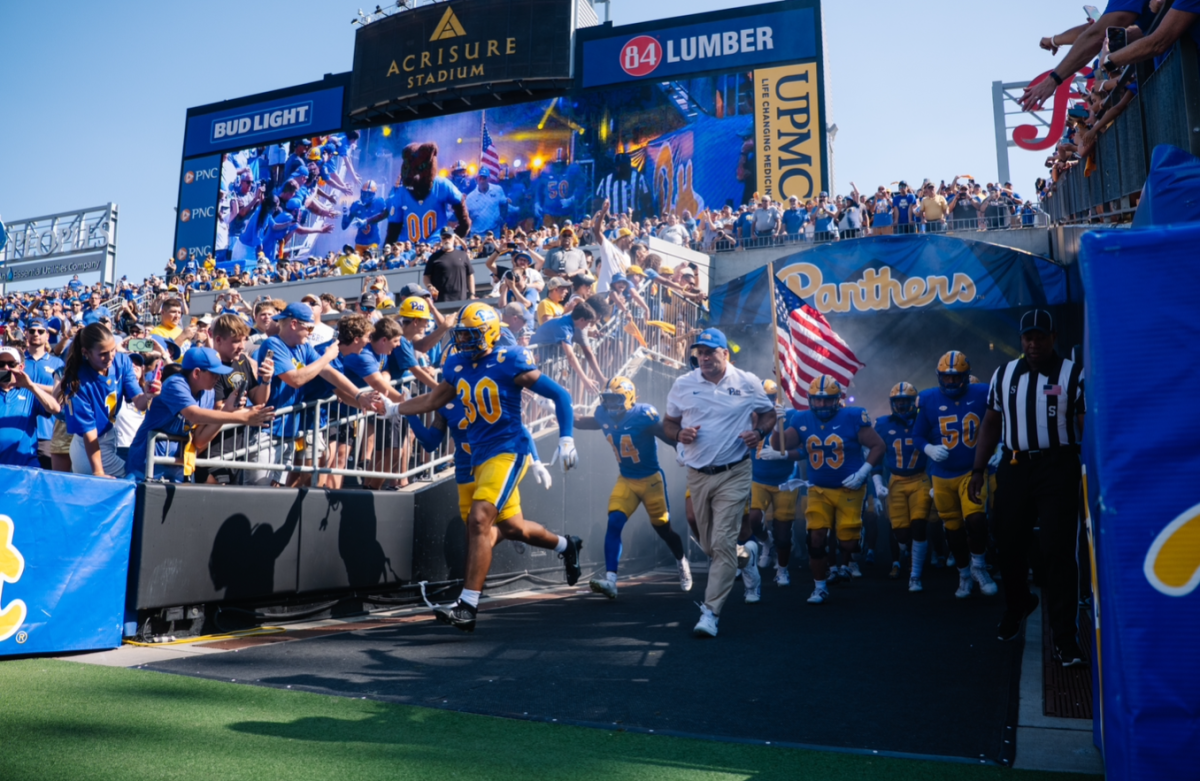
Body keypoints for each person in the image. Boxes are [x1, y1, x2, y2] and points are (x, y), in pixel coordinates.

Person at [386, 302, 583, 632]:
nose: (463, 341)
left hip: (507, 450)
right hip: (476, 456)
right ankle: (567, 545)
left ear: (490, 333)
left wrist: (566, 438)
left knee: (479, 521)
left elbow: (560, 395)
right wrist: (394, 409)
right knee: (511, 529)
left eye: (470, 335)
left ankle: (467, 605)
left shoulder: (510, 360)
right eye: (460, 334)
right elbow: (433, 400)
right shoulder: (457, 363)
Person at [969, 310, 1086, 665]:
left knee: (1057, 550)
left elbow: (1086, 424)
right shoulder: (1004, 375)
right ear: (1021, 340)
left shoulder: (1073, 374)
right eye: (1027, 337)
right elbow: (991, 422)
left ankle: (1066, 638)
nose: (1033, 344)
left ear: (1053, 337)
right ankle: (1019, 604)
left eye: (1040, 337)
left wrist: (1093, 470)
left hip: (1058, 466)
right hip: (1016, 465)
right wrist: (977, 469)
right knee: (1006, 543)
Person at [664, 328, 776, 637]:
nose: (704, 357)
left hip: (734, 471)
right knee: (714, 546)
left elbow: (768, 414)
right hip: (698, 475)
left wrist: (760, 433)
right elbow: (668, 422)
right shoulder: (683, 384)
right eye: (700, 352)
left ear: (725, 353)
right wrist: (678, 435)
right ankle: (748, 556)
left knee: (723, 542)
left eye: (710, 351)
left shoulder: (747, 382)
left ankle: (710, 613)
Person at [575, 376, 692, 599]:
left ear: (629, 398)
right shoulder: (603, 414)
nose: (610, 405)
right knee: (614, 522)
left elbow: (664, 433)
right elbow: (582, 422)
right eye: (607, 399)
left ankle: (681, 560)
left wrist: (681, 448)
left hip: (651, 480)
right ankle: (611, 581)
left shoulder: (643, 415)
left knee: (663, 528)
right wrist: (556, 409)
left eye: (615, 399)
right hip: (626, 479)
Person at [254, 302, 382, 486]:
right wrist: (327, 357)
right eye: (309, 327)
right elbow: (296, 379)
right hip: (269, 429)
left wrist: (359, 396)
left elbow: (330, 373)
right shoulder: (273, 344)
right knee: (261, 492)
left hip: (289, 429)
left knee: (279, 490)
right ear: (293, 324)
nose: (311, 332)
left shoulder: (303, 347)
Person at [912, 351, 999, 599]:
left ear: (965, 376)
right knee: (953, 528)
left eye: (956, 377)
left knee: (976, 520)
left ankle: (979, 568)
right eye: (946, 377)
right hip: (942, 475)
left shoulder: (982, 392)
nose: (950, 382)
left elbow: (999, 421)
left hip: (972, 471)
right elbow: (918, 435)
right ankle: (963, 575)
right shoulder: (928, 398)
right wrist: (928, 447)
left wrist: (1000, 445)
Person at [125, 348, 275, 483]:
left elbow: (199, 439)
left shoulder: (208, 392)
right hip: (145, 466)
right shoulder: (174, 383)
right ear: (196, 373)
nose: (218, 377)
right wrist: (244, 418)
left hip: (175, 469)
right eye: (214, 373)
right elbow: (193, 415)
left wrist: (227, 411)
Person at [59, 323, 158, 478]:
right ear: (86, 353)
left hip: (109, 439)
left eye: (113, 350)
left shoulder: (122, 361)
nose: (111, 356)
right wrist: (98, 471)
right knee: (136, 480)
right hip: (90, 449)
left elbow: (139, 403)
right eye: (103, 353)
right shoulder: (78, 382)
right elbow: (89, 433)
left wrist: (148, 395)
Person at [872, 382, 933, 587]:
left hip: (920, 478)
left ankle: (915, 574)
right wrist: (877, 483)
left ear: (913, 403)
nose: (901, 406)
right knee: (901, 531)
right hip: (896, 480)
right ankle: (904, 555)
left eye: (905, 401)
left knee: (918, 524)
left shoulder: (924, 421)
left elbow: (936, 451)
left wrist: (935, 480)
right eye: (897, 401)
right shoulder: (882, 424)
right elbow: (876, 456)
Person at [747, 379, 802, 590]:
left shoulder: (790, 416)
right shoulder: (748, 416)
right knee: (753, 520)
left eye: (769, 397)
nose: (766, 402)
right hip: (758, 478)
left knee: (783, 530)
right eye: (762, 398)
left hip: (784, 479)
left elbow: (804, 447)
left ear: (777, 397)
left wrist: (784, 454)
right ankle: (766, 543)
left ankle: (782, 569)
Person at [529, 298, 606, 395]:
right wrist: (585, 380)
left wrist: (590, 333)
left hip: (546, 358)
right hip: (540, 358)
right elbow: (571, 356)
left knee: (549, 395)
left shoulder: (568, 321)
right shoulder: (564, 327)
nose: (588, 326)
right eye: (588, 323)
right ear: (582, 319)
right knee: (540, 395)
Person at [0, 347, 61, 467]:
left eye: (11, 364)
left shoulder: (29, 392)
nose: (6, 368)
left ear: (21, 367)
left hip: (25, 466)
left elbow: (55, 408)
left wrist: (31, 386)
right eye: (1, 364)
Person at [23, 318, 63, 468]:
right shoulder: (16, 361)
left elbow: (62, 393)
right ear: (26, 333)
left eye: (40, 331)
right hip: (21, 430)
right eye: (32, 331)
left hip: (47, 432)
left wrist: (30, 385)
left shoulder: (57, 363)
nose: (36, 334)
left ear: (47, 335)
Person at [423, 229, 476, 302]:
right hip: (441, 301)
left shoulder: (463, 255)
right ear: (441, 239)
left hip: (461, 299)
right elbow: (426, 276)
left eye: (449, 237)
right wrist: (430, 286)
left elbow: (470, 275)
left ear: (454, 238)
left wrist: (472, 294)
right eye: (444, 238)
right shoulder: (434, 257)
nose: (447, 240)